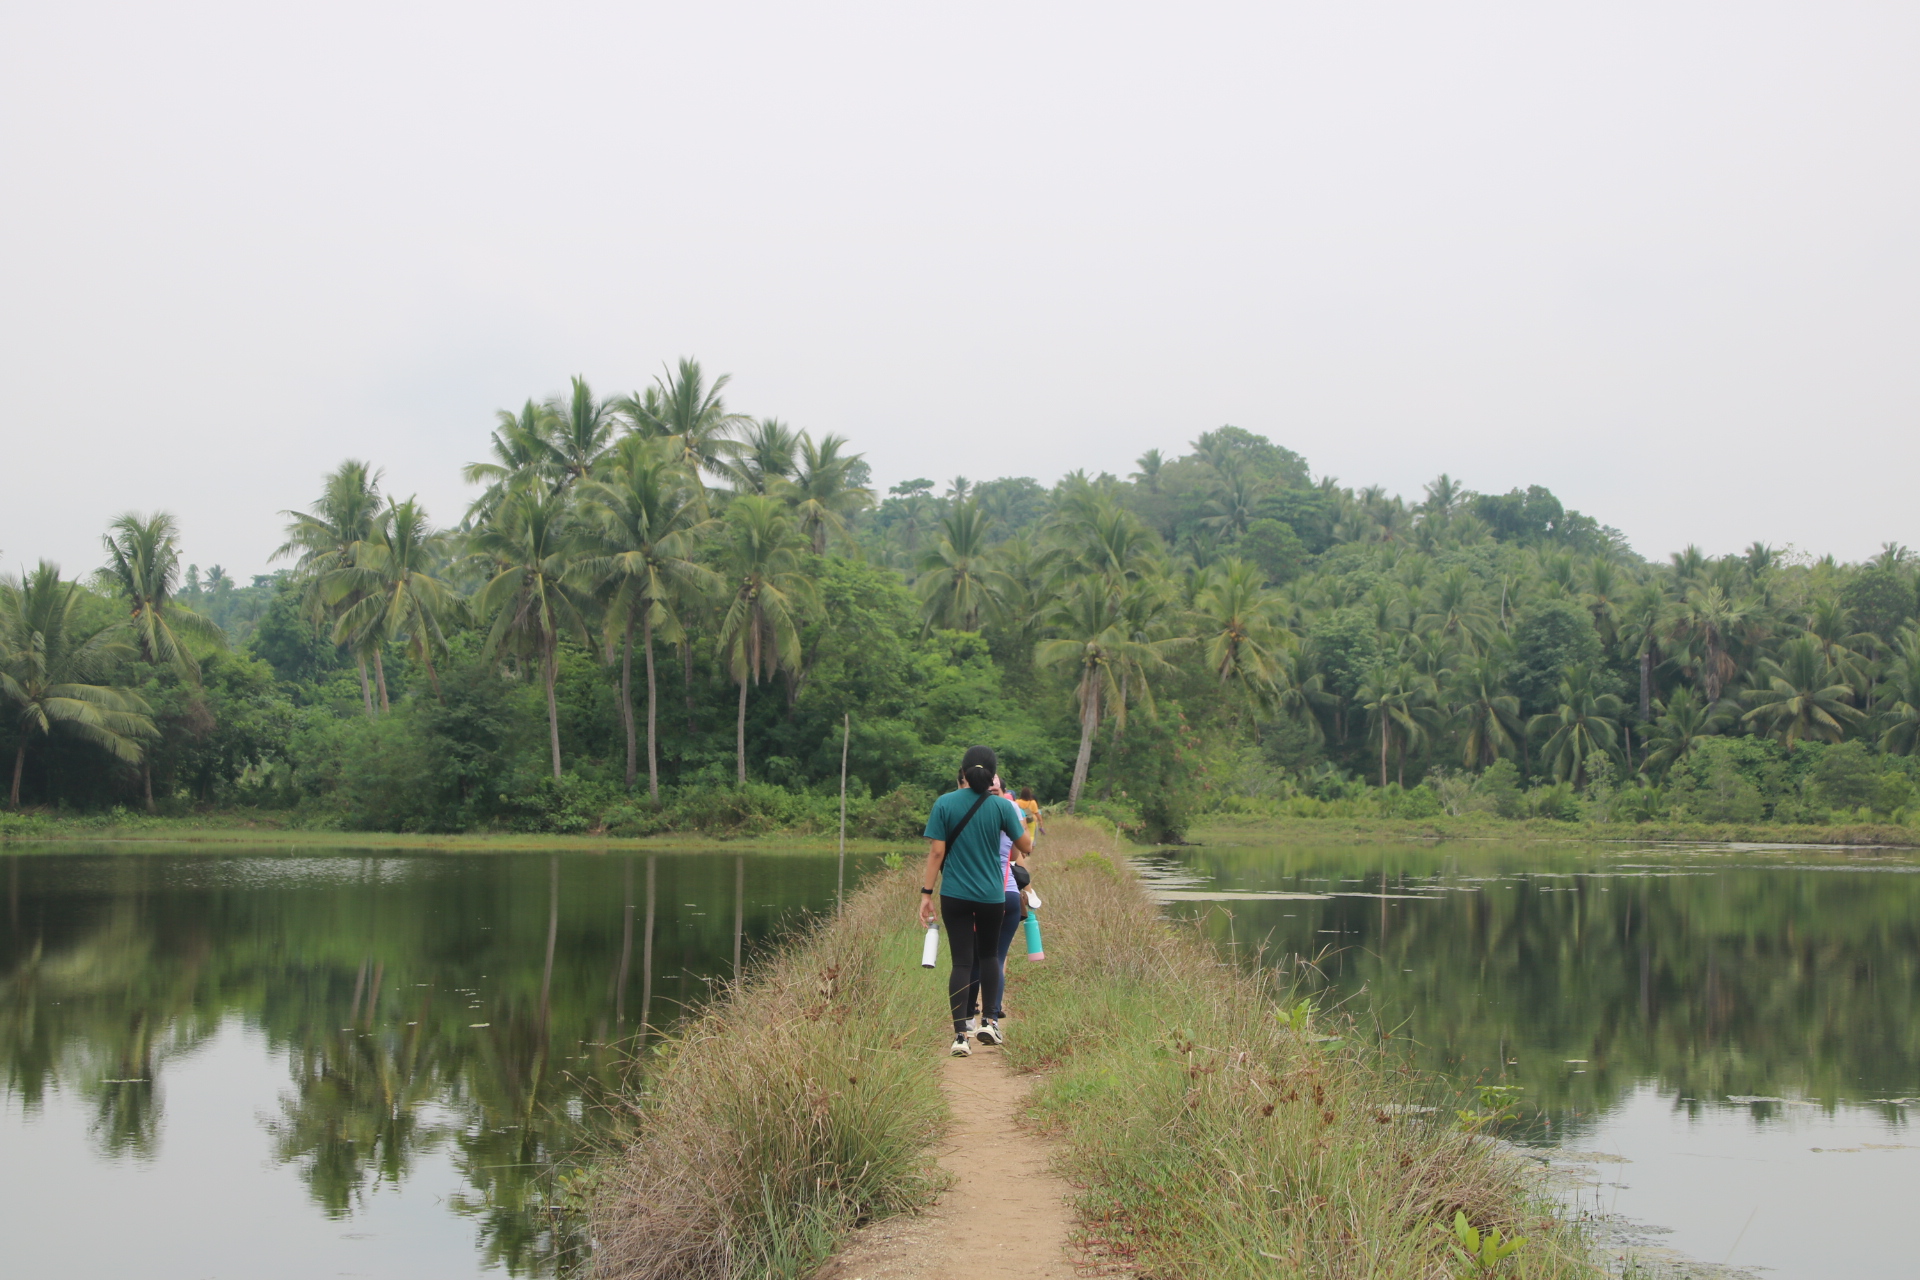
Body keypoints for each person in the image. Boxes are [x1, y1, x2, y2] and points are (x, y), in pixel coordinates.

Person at [919, 746, 1032, 1057]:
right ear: (992, 775)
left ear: (964, 773)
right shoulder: (1002, 807)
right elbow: (1026, 847)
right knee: (989, 957)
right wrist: (1019, 816)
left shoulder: (943, 803)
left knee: (961, 962)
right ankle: (991, 1022)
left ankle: (959, 1036)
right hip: (991, 896)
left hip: (954, 895)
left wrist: (926, 894)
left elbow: (937, 853)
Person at [963, 776, 1027, 1033]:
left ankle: (968, 1018)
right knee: (996, 958)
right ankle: (991, 1020)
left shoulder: (966, 812)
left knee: (974, 960)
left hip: (975, 895)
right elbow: (1017, 853)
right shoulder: (1007, 810)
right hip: (1006, 891)